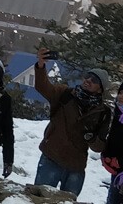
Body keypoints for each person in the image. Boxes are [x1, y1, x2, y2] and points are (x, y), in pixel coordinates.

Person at [30, 48, 113, 196]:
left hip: (76, 166)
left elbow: (99, 146)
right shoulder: (65, 94)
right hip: (52, 158)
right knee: (39, 200)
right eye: (88, 76)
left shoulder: (103, 112)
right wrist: (41, 66)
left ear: (101, 89)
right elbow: (43, 87)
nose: (88, 80)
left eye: (94, 80)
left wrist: (91, 137)